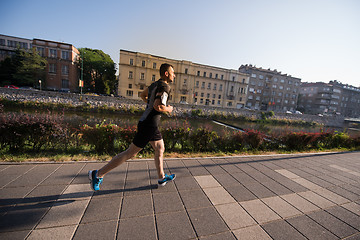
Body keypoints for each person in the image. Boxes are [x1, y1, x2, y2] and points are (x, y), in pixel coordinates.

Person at [88, 63, 176, 191]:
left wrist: (150, 105)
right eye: (173, 72)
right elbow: (159, 106)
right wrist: (169, 109)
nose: (174, 75)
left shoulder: (154, 85)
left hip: (150, 123)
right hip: (149, 125)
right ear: (166, 74)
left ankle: (161, 177)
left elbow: (143, 95)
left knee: (159, 147)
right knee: (130, 153)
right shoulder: (164, 86)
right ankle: (98, 174)